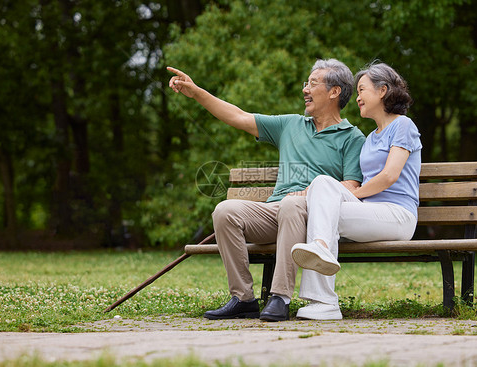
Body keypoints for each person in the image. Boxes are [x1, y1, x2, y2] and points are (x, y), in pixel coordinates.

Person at [167, 59, 366, 321]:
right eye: (305, 83)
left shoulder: (352, 137)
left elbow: (351, 187)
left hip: (314, 218)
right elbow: (238, 116)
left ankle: (280, 297)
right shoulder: (291, 125)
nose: (305, 89)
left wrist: (306, 194)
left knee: (292, 205)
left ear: (334, 92)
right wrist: (197, 92)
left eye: (313, 83)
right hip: (276, 211)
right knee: (225, 211)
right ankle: (243, 299)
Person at [291, 62, 421, 320]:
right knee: (322, 187)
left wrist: (353, 195)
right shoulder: (371, 136)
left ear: (382, 90)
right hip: (369, 213)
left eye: (362, 90)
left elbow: (388, 176)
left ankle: (323, 290)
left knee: (323, 204)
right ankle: (322, 275)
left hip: (398, 216)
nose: (358, 97)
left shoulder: (403, 126)